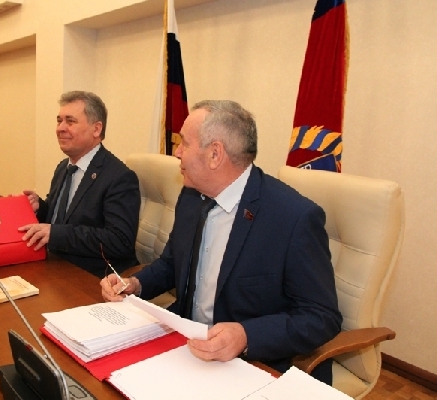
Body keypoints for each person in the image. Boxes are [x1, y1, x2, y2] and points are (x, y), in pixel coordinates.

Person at [101, 100, 342, 384]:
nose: (177, 152)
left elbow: (321, 316)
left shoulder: (293, 217)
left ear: (215, 154)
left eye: (184, 143)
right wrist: (135, 284)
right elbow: (172, 263)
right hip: (186, 345)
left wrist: (246, 336)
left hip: (251, 364)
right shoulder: (191, 196)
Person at [18, 91, 141, 277]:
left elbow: (119, 241)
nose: (60, 128)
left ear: (96, 129)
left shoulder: (119, 177)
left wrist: (56, 234)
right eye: (59, 121)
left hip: (92, 277)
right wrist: (39, 207)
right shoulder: (63, 167)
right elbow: (61, 218)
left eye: (70, 121)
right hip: (55, 266)